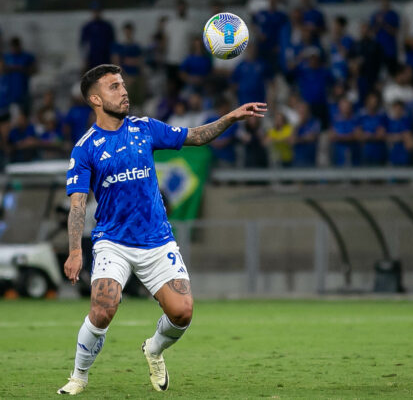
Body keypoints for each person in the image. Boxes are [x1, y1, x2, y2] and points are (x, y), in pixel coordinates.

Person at [58, 64, 267, 395]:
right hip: (113, 241)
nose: (124, 91)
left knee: (183, 312)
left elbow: (195, 136)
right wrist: (74, 251)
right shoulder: (86, 147)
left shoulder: (144, 128)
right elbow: (79, 205)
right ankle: (78, 377)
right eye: (114, 86)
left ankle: (153, 349)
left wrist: (230, 117)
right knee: (103, 308)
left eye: (124, 84)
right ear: (96, 99)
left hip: (156, 240)